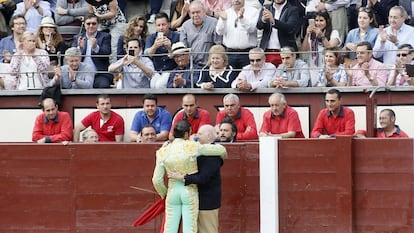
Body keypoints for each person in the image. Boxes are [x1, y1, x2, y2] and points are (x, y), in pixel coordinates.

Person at [152, 121, 227, 233]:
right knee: (189, 228)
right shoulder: (192, 146)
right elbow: (220, 150)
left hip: (173, 192)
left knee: (170, 228)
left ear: (173, 134)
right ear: (187, 134)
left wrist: (164, 194)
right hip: (189, 191)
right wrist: (224, 152)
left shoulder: (163, 151)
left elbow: (156, 180)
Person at [215, 0, 259, 70]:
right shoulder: (226, 12)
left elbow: (251, 29)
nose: (236, 0)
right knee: (230, 79)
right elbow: (219, 32)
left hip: (247, 54)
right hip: (230, 53)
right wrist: (223, 20)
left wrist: (242, 19)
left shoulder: (253, 11)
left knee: (247, 78)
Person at [256, 0, 301, 67]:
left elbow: (290, 28)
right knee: (267, 76)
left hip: (285, 52)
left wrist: (273, 20)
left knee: (285, 76)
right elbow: (259, 26)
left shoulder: (293, 9)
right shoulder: (266, 8)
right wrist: (263, 19)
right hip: (267, 51)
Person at [73, 14, 112, 88]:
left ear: (98, 25)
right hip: (81, 73)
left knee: (103, 85)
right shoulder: (78, 37)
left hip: (99, 73)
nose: (91, 26)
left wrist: (95, 47)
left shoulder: (105, 36)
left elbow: (107, 52)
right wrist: (79, 48)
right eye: (88, 23)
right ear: (84, 24)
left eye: (93, 23)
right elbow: (71, 56)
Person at [301, 11, 341, 82]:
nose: (318, 23)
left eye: (321, 20)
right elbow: (304, 50)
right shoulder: (312, 34)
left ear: (327, 21)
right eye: (316, 20)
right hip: (313, 67)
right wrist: (307, 35)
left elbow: (330, 47)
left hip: (328, 67)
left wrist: (322, 36)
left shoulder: (334, 32)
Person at [181, 0, 222, 66]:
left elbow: (218, 45)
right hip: (192, 65)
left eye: (198, 12)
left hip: (210, 65)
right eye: (193, 13)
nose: (195, 15)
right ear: (189, 14)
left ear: (204, 11)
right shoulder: (185, 26)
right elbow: (183, 48)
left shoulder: (214, 23)